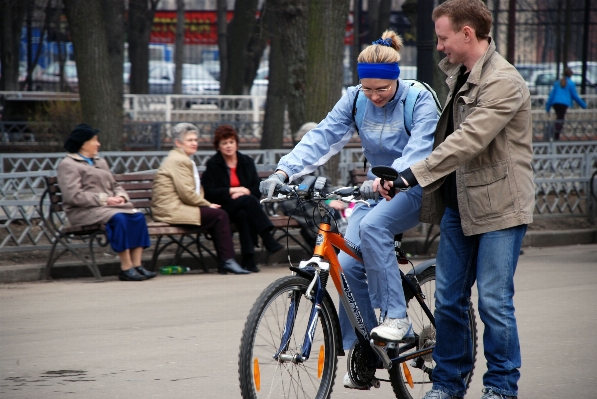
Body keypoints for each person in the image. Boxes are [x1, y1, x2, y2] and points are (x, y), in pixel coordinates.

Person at [259, 30, 438, 388]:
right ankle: (365, 351)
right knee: (348, 263)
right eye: (367, 89)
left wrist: (394, 178)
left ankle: (397, 318)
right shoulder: (355, 99)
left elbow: (421, 150)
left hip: (415, 185)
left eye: (381, 90)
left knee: (373, 229)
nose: (373, 96)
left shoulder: (419, 98)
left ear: (396, 80)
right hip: (374, 190)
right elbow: (323, 136)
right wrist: (284, 170)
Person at [379, 1, 534, 398]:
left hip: (500, 208)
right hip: (459, 205)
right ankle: (448, 384)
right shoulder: (460, 74)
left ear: (467, 34)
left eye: (444, 37)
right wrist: (399, 172)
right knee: (448, 300)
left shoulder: (503, 81)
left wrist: (414, 174)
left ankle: (501, 387)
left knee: (495, 303)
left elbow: (468, 140)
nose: (439, 45)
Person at [57, 124, 156, 282]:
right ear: (83, 143)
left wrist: (121, 196)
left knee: (138, 217)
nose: (98, 144)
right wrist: (104, 199)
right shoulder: (68, 165)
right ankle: (126, 268)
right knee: (120, 219)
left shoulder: (100, 162)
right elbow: (73, 196)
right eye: (95, 140)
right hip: (83, 211)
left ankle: (137, 266)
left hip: (108, 208)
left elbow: (115, 184)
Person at [151, 123, 249, 275]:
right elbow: (187, 194)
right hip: (171, 209)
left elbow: (191, 192)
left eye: (195, 139)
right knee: (220, 215)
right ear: (178, 143)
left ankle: (226, 262)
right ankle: (227, 261)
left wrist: (207, 205)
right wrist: (208, 205)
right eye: (190, 140)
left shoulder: (182, 158)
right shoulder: (179, 160)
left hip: (178, 206)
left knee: (219, 215)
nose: (194, 143)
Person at [200, 124, 283, 273]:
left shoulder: (246, 161)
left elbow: (256, 188)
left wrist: (243, 193)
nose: (228, 146)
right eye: (224, 143)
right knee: (248, 201)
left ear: (236, 143)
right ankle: (267, 238)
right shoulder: (213, 164)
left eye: (231, 142)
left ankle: (248, 260)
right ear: (218, 146)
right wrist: (233, 191)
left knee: (244, 214)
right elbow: (210, 192)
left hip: (244, 207)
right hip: (224, 208)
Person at [545, 67, 587, 140]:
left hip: (555, 103)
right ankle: (554, 135)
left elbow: (551, 95)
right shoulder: (571, 83)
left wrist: (547, 108)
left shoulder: (557, 82)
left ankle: (554, 135)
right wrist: (583, 105)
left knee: (559, 118)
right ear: (571, 75)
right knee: (560, 119)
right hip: (564, 103)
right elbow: (575, 96)